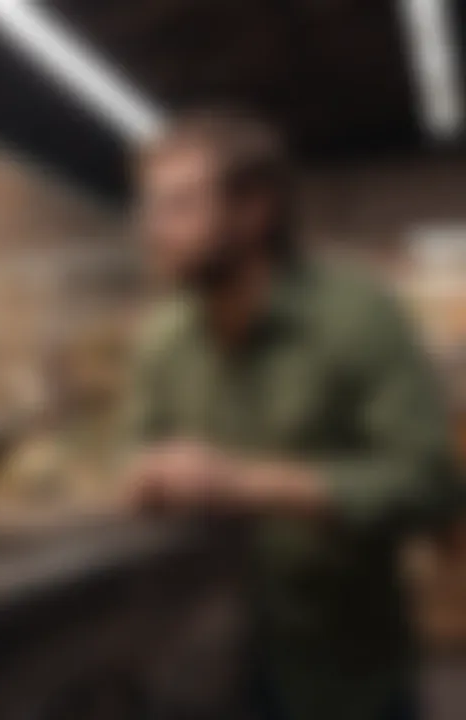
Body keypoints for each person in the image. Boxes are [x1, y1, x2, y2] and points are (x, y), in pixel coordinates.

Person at [123, 109, 462, 720]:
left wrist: (243, 483)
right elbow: (135, 463)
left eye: (179, 206)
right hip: (209, 677)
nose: (154, 228)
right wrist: (143, 481)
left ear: (254, 211)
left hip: (345, 678)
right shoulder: (162, 340)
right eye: (150, 207)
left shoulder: (356, 314)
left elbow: (429, 485)